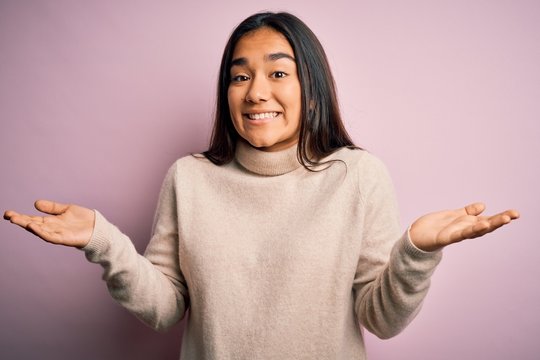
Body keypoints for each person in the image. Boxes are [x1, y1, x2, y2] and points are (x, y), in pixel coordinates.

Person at [3, 11, 519, 360]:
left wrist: (415, 253)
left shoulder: (357, 176)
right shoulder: (190, 178)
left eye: (278, 73)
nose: (255, 93)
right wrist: (101, 239)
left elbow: (380, 321)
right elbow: (165, 310)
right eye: (239, 75)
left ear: (310, 90)